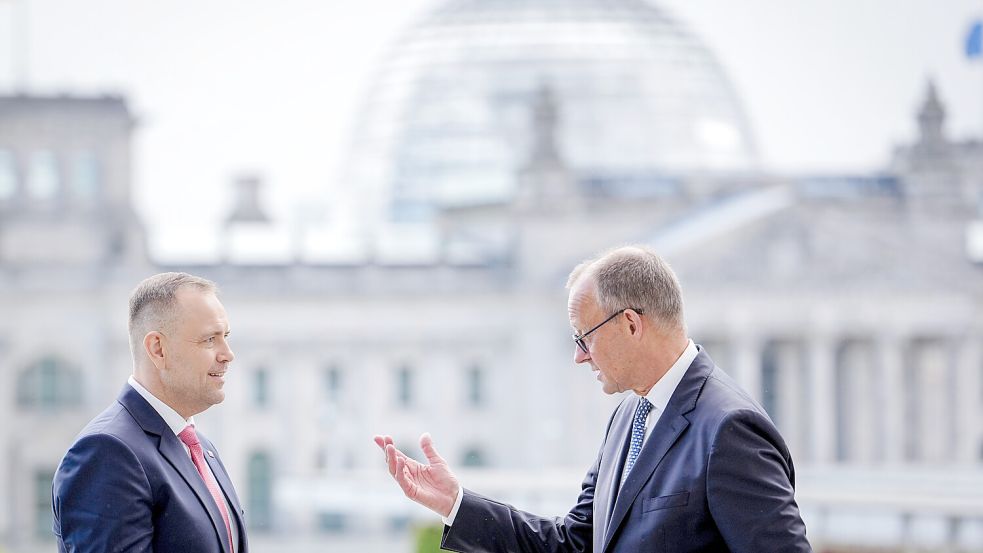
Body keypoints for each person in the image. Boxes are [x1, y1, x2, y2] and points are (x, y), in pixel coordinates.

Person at [375, 245, 811, 552]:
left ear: (630, 325)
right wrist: (455, 503)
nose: (580, 356)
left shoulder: (729, 429)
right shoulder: (629, 416)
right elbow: (575, 544)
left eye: (584, 337)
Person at [52, 272, 247, 553]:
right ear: (158, 349)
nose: (228, 354)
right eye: (209, 340)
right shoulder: (108, 452)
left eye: (225, 337)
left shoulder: (200, 447)